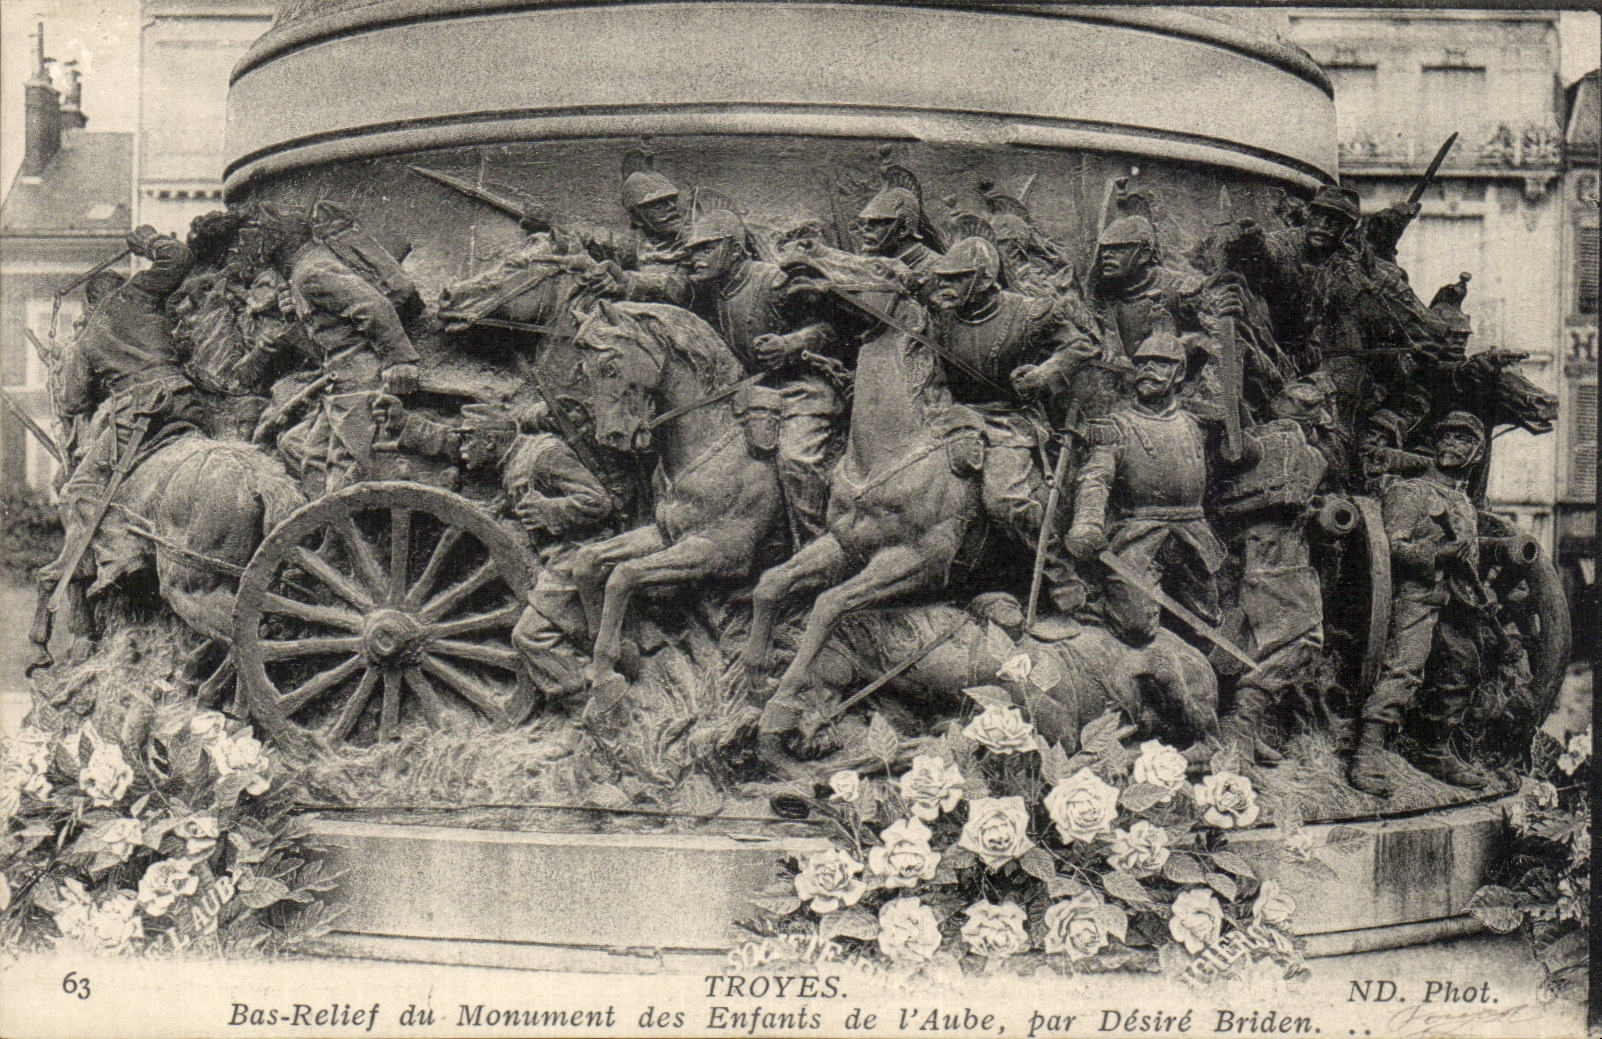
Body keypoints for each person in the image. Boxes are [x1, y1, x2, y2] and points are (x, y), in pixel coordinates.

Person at [371, 397, 629, 710]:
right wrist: (403, 424)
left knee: (530, 636)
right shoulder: (511, 459)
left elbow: (597, 501)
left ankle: (593, 707)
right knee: (572, 634)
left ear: (491, 441)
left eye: (469, 441)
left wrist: (552, 511)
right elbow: (450, 442)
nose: (462, 450)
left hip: (575, 556)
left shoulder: (543, 455)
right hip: (556, 558)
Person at [29, 225, 204, 672]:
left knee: (81, 491)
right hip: (189, 399)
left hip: (140, 413)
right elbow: (177, 259)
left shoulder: (89, 336)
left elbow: (72, 402)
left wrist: (68, 364)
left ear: (90, 304)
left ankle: (115, 561)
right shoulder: (141, 293)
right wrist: (148, 242)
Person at [928, 236, 1101, 607]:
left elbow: (1084, 343)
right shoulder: (941, 318)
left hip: (1010, 420)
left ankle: (1059, 572)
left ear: (984, 279)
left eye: (956, 278)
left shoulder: (1028, 312)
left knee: (1005, 500)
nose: (945, 286)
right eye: (943, 278)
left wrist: (1046, 373)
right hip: (955, 417)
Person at [1349, 412, 1493, 796]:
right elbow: (1389, 549)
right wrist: (1439, 552)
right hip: (1416, 596)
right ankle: (1367, 753)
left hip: (1456, 602)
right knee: (1405, 668)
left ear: (1477, 453)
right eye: (1446, 437)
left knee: (1461, 669)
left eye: (1463, 440)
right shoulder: (1410, 493)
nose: (1451, 445)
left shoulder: (1463, 502)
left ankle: (1435, 748)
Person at [680, 209, 843, 542]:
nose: (695, 257)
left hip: (803, 388)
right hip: (750, 394)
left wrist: (791, 342)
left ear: (735, 250)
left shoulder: (775, 281)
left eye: (706, 248)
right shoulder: (712, 290)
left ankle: (816, 546)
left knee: (797, 461)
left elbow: (832, 327)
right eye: (693, 250)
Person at [1064, 326, 1225, 646]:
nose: (1148, 370)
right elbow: (1096, 477)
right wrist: (1087, 522)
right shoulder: (1117, 426)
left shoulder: (1194, 424)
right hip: (1139, 535)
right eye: (1142, 363)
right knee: (1135, 628)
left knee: (1205, 627)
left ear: (1179, 372)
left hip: (1193, 534)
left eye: (1160, 363)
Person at [1210, 373, 1339, 763]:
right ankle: (1240, 728)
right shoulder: (1287, 446)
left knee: (1258, 642)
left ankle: (1244, 728)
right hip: (1271, 556)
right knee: (1301, 640)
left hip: (1282, 551)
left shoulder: (1293, 448)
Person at [263, 204, 422, 496]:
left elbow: (372, 305)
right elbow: (325, 335)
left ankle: (360, 531)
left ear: (276, 239)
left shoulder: (312, 270)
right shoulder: (302, 271)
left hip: (361, 380)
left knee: (353, 470)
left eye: (259, 235)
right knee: (310, 456)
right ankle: (333, 530)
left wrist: (399, 358)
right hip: (340, 379)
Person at [577, 164, 692, 305]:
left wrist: (626, 281)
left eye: (672, 200)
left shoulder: (696, 245)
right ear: (637, 218)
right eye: (657, 205)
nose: (671, 207)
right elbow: (601, 239)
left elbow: (679, 290)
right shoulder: (639, 248)